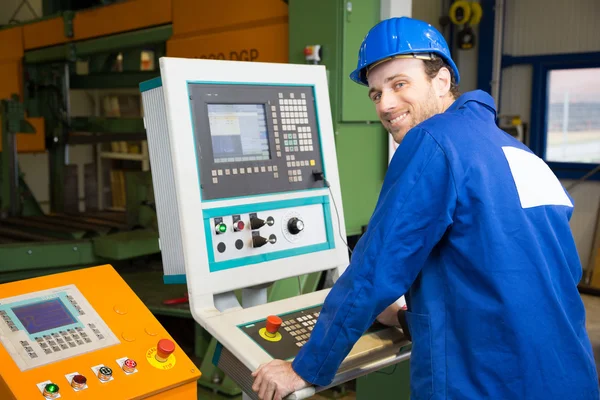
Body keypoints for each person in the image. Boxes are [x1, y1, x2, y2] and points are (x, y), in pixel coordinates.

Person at [251, 16, 599, 400]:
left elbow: (374, 270)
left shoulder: (432, 141)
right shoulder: (521, 153)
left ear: (442, 80)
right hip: (571, 378)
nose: (385, 104)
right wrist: (405, 318)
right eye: (375, 93)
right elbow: (526, 285)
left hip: (489, 387)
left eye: (400, 84)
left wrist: (304, 366)